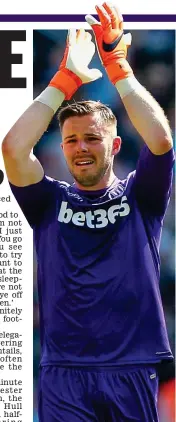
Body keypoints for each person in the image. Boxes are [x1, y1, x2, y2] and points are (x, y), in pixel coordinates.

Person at [2, 3, 175, 422]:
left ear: (114, 146)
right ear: (62, 148)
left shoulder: (141, 196)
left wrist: (119, 69)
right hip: (65, 371)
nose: (80, 147)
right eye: (71, 140)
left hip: (132, 366)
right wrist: (63, 81)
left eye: (92, 138)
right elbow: (12, 149)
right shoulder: (48, 202)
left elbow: (160, 140)